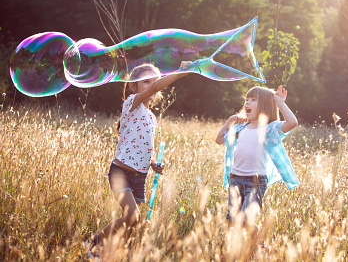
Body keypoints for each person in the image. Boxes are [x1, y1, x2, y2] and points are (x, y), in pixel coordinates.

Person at [85, 62, 191, 258]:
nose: (152, 85)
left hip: (139, 176)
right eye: (146, 82)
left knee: (132, 222)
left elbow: (143, 145)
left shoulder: (151, 117)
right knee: (132, 216)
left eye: (155, 81)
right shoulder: (131, 104)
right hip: (121, 172)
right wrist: (177, 74)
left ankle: (111, 254)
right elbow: (155, 88)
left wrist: (152, 163)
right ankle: (94, 243)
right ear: (133, 86)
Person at [215, 85, 300, 232]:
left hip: (255, 181)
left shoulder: (269, 129)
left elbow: (292, 123)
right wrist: (230, 119)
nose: (247, 103)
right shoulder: (240, 128)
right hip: (235, 178)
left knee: (246, 221)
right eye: (247, 99)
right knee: (233, 221)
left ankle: (258, 244)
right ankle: (238, 251)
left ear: (265, 105)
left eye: (253, 100)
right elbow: (219, 139)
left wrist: (280, 103)